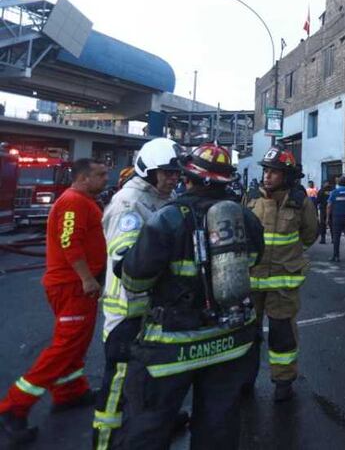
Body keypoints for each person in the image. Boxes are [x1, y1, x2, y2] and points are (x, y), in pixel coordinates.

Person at [114, 143, 263, 448]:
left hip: (171, 346)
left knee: (149, 426)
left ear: (189, 177)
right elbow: (254, 260)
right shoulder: (246, 219)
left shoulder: (168, 218)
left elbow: (135, 279)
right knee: (218, 427)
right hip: (228, 341)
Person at [0, 159, 109, 445]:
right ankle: (13, 408)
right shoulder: (74, 202)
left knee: (75, 344)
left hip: (75, 286)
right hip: (72, 286)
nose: (105, 179)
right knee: (64, 348)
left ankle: (70, 392)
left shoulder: (82, 200)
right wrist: (86, 278)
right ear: (84, 178)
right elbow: (69, 242)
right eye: (100, 174)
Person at [94, 139, 183, 449]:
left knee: (144, 379)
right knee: (116, 384)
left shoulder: (160, 200)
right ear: (148, 170)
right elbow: (124, 261)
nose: (173, 178)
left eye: (176, 173)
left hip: (148, 309)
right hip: (127, 313)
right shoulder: (130, 205)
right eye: (167, 173)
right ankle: (103, 442)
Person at [246, 146, 318, 403]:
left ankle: (283, 381)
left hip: (283, 282)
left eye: (274, 172)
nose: (267, 176)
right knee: (247, 332)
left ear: (286, 176)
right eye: (266, 170)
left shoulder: (300, 203)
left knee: (282, 333)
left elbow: (309, 235)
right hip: (251, 280)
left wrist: (289, 256)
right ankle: (245, 379)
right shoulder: (251, 198)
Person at [316, 177, 335, 245]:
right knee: (332, 224)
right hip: (332, 210)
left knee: (323, 224)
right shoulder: (333, 190)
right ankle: (333, 239)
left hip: (323, 210)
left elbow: (318, 200)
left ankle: (323, 239)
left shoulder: (321, 191)